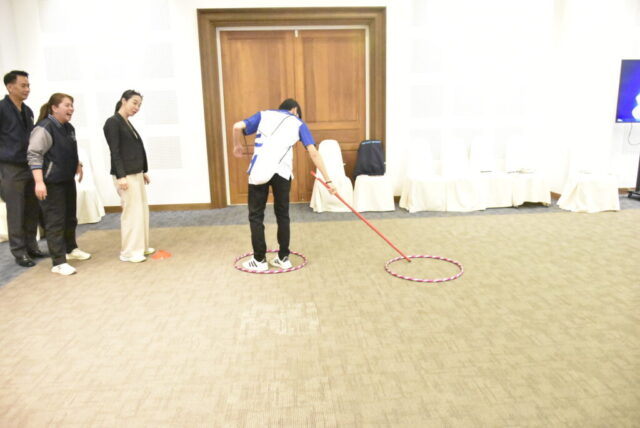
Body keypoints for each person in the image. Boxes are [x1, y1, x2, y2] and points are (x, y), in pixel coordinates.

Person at [232, 98, 336, 271]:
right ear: (294, 110)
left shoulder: (263, 115)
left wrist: (237, 146)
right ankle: (283, 258)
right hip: (283, 173)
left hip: (259, 172)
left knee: (256, 215)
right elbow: (313, 152)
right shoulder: (298, 123)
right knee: (283, 215)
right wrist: (328, 180)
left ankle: (259, 260)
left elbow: (237, 127)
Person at [27, 93, 91, 276]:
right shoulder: (44, 128)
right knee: (55, 221)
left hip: (66, 179)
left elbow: (68, 150)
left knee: (70, 217)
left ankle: (70, 249)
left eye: (72, 105)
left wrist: (78, 164)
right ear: (54, 108)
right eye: (67, 105)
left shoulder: (68, 127)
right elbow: (34, 154)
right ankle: (58, 262)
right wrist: (39, 182)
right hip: (51, 182)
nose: (71, 109)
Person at [103, 90, 154, 263]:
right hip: (125, 175)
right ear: (123, 101)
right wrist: (121, 176)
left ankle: (141, 246)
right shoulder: (113, 122)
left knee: (141, 211)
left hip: (135, 172)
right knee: (131, 213)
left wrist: (142, 171)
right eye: (134, 102)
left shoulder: (126, 122)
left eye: (139, 105)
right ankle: (128, 252)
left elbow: (133, 149)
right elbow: (115, 151)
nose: (137, 107)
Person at [0, 70, 43, 267]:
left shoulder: (27, 110)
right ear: (10, 87)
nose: (27, 89)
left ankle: (32, 246)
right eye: (23, 85)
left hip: (29, 166)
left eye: (28, 85)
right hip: (10, 167)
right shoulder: (2, 109)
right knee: (16, 211)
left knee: (32, 209)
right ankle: (19, 252)